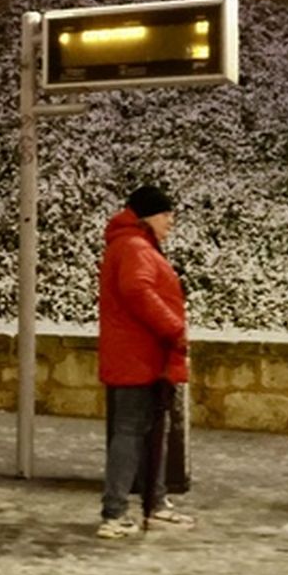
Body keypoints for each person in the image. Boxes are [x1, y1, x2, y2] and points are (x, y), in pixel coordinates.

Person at [96, 185, 196, 539]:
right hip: (138, 356)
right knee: (130, 431)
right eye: (165, 214)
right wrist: (173, 327)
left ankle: (154, 504)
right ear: (147, 216)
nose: (171, 221)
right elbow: (137, 290)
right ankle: (115, 512)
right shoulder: (135, 247)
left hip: (139, 355)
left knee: (148, 432)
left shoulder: (132, 244)